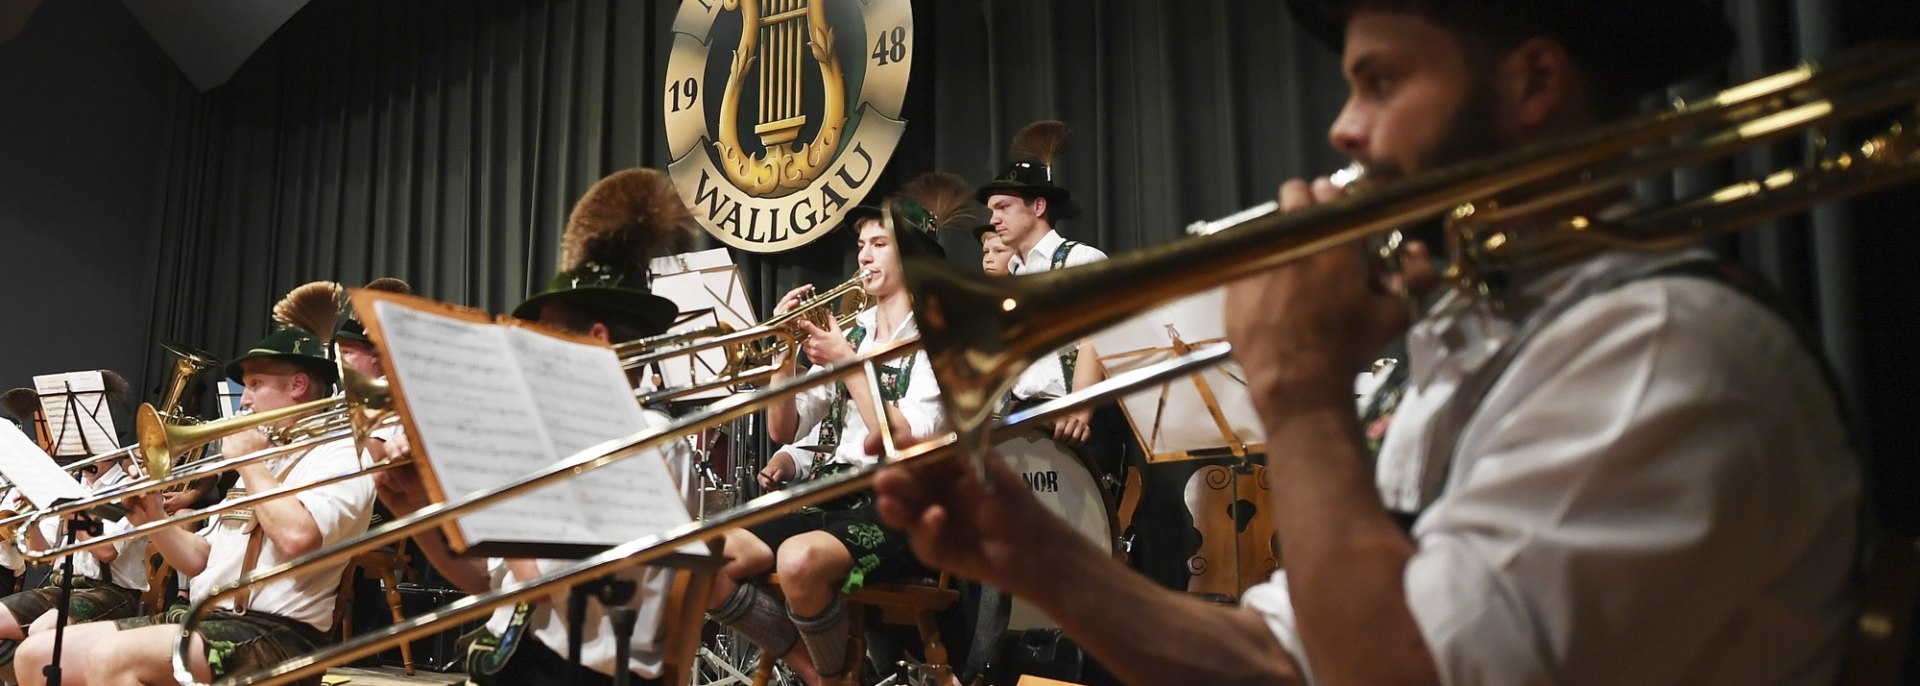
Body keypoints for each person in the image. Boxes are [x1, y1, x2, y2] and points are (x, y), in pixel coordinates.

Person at [875, 1, 1862, 684]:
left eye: (1379, 81)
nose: (1343, 129)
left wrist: (1303, 394)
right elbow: (1284, 657)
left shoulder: (1662, 350)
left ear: (1533, 83)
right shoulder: (1484, 335)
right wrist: (1045, 560)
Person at [374, 168, 697, 686]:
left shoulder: (644, 436)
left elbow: (551, 586)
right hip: (526, 659)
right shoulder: (565, 443)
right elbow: (489, 581)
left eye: (542, 338)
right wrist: (415, 509)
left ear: (596, 341)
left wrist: (477, 477)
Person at [708, 173, 965, 685]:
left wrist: (851, 366)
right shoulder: (852, 331)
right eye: (860, 246)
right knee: (703, 560)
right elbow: (783, 430)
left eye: (878, 245)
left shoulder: (942, 338)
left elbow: (902, 442)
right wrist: (783, 354)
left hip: (905, 506)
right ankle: (824, 675)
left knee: (799, 563)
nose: (863, 258)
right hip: (833, 495)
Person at [17, 322, 378, 686]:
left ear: (298, 385)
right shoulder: (265, 459)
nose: (245, 400)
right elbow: (201, 558)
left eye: (255, 385)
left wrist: (250, 465)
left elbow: (299, 539)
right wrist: (153, 516)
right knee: (39, 653)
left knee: (112, 658)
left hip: (277, 635)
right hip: (207, 620)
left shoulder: (344, 455)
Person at [977, 120, 1106, 448]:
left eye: (1003, 207)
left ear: (1038, 206)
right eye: (992, 210)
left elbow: (1099, 338)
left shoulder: (1082, 260)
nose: (993, 219)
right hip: (1020, 422)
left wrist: (1080, 407)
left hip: (1073, 422)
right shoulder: (1011, 280)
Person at [0, 440, 149, 683]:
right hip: (62, 586)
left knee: (43, 631)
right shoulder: (68, 483)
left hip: (112, 592)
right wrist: (31, 519)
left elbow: (107, 551)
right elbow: (42, 554)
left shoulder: (130, 488)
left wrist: (72, 510)